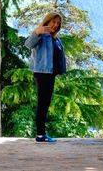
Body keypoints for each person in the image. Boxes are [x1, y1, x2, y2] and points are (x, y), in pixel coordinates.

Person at [25, 12, 66, 143]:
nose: (56, 25)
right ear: (47, 21)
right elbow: (28, 44)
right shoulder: (41, 35)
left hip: (50, 74)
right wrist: (38, 31)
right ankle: (40, 135)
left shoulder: (55, 38)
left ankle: (42, 134)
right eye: (54, 22)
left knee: (45, 103)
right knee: (43, 103)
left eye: (58, 23)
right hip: (43, 73)